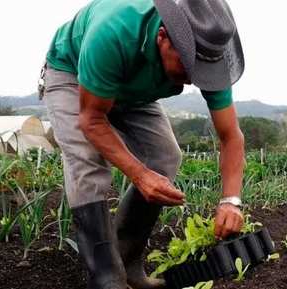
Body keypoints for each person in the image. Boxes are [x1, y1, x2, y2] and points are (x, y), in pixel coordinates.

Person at [41, 0, 245, 288]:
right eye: (187, 66)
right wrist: (140, 174)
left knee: (165, 156)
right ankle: (106, 278)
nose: (193, 80)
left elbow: (231, 135)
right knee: (88, 164)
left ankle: (126, 263)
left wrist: (231, 201)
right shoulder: (115, 30)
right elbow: (92, 120)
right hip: (73, 75)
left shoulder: (208, 54)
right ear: (162, 36)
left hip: (131, 89)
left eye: (201, 72)